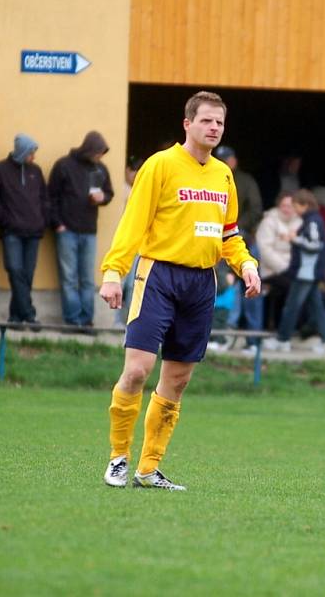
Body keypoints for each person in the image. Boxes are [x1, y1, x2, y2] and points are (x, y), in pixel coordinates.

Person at [98, 91, 261, 491]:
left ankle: (148, 468)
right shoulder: (161, 165)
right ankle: (119, 458)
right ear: (187, 123)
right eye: (206, 120)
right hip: (158, 276)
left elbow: (229, 233)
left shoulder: (224, 175)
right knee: (137, 370)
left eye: (219, 122)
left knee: (178, 380)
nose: (214, 128)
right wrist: (113, 271)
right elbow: (133, 222)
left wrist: (246, 264)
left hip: (201, 284)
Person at [48, 130, 114, 328]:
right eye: (97, 153)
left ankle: (87, 321)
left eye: (102, 153)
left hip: (89, 231)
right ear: (88, 149)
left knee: (87, 279)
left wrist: (103, 198)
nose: (100, 157)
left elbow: (109, 193)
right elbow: (51, 197)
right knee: (68, 278)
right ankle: (72, 320)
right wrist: (57, 224)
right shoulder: (64, 165)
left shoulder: (100, 169)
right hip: (66, 230)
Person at [264, 189, 325, 354]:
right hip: (309, 271)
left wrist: (294, 239)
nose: (294, 210)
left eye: (295, 205)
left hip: (306, 271)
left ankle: (282, 340)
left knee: (291, 306)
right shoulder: (311, 220)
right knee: (316, 307)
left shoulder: (312, 221)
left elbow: (314, 244)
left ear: (304, 205)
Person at [0, 134, 49, 325]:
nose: (34, 156)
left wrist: (41, 221)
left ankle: (15, 317)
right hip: (11, 232)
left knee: (27, 275)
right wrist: (6, 221)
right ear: (22, 151)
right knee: (15, 270)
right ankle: (30, 314)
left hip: (34, 232)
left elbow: (44, 198)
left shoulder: (36, 171)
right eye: (31, 152)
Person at [214, 145, 264, 354]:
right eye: (221, 159)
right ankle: (221, 334)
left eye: (228, 158)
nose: (225, 162)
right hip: (215, 238)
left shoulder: (244, 181)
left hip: (240, 239)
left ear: (234, 160)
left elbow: (256, 208)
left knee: (250, 285)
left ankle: (253, 340)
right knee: (223, 285)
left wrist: (235, 226)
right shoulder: (212, 177)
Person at [255, 191, 302, 328]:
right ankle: (280, 328)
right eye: (284, 205)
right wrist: (285, 267)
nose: (287, 209)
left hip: (293, 269)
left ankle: (296, 328)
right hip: (272, 270)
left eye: (290, 205)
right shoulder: (269, 222)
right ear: (278, 206)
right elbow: (265, 251)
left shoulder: (300, 222)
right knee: (292, 287)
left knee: (305, 286)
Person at [115, 155, 145, 327]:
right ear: (127, 170)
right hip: (125, 243)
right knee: (122, 282)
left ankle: (130, 321)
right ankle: (116, 320)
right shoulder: (123, 190)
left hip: (140, 245)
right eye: (134, 172)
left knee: (134, 285)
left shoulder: (141, 189)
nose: (136, 176)